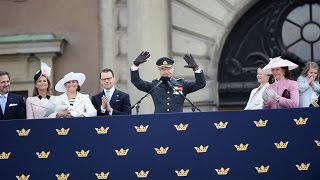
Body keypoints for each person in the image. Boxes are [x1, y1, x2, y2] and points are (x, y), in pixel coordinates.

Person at [130, 51, 206, 113]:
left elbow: (201, 84)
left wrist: (196, 69)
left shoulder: (182, 84)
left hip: (178, 124)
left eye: (168, 69)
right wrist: (135, 66)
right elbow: (137, 82)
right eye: (163, 69)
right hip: (159, 122)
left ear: (173, 69)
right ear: (159, 70)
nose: (166, 72)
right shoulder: (154, 85)